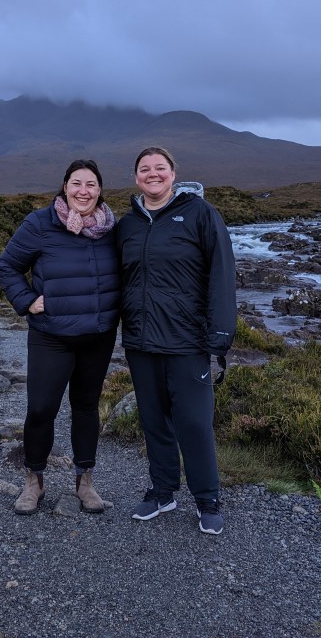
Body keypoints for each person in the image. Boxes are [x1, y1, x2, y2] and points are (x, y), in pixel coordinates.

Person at [117, 146, 237, 535]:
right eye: (145, 169)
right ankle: (162, 491)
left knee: (194, 423)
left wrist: (220, 333)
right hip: (141, 342)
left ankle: (207, 499)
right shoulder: (127, 225)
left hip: (187, 341)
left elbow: (222, 273)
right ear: (136, 177)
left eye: (160, 168)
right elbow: (114, 279)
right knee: (153, 421)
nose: (152, 174)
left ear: (173, 174)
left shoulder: (200, 214)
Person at [0, 159, 121, 515]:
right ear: (65, 186)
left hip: (97, 336)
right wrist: (26, 300)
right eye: (76, 183)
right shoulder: (40, 223)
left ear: (100, 190)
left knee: (86, 407)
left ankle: (85, 482)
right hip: (51, 335)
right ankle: (33, 481)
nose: (84, 191)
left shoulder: (113, 228)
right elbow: (8, 265)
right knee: (41, 409)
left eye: (91, 184)